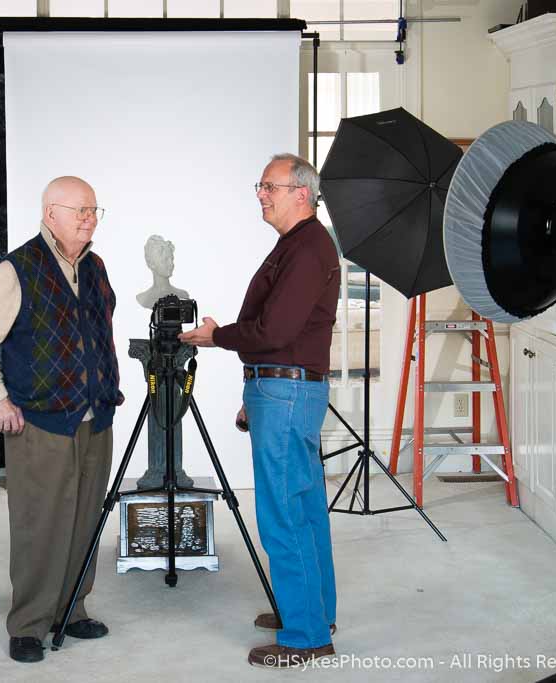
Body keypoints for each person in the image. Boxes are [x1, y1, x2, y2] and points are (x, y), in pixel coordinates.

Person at [179, 153, 341, 668]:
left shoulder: (308, 249)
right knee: (306, 508)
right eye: (260, 186)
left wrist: (216, 336)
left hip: (286, 392)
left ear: (301, 192)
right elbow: (276, 331)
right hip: (283, 391)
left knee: (285, 512)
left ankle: (306, 635)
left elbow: (275, 332)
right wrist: (254, 395)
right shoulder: (298, 245)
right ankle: (313, 611)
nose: (260, 194)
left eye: (269, 186)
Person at [0, 176, 122, 664]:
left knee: (84, 520)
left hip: (95, 418)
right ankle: (29, 623)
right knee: (39, 524)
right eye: (80, 210)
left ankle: (70, 609)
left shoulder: (94, 267)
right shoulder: (17, 269)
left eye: (94, 210)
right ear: (51, 213)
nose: (89, 218)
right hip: (41, 422)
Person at [136, 234, 189, 309]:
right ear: (151, 263)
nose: (171, 264)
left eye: (172, 259)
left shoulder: (183, 295)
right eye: (165, 260)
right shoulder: (143, 298)